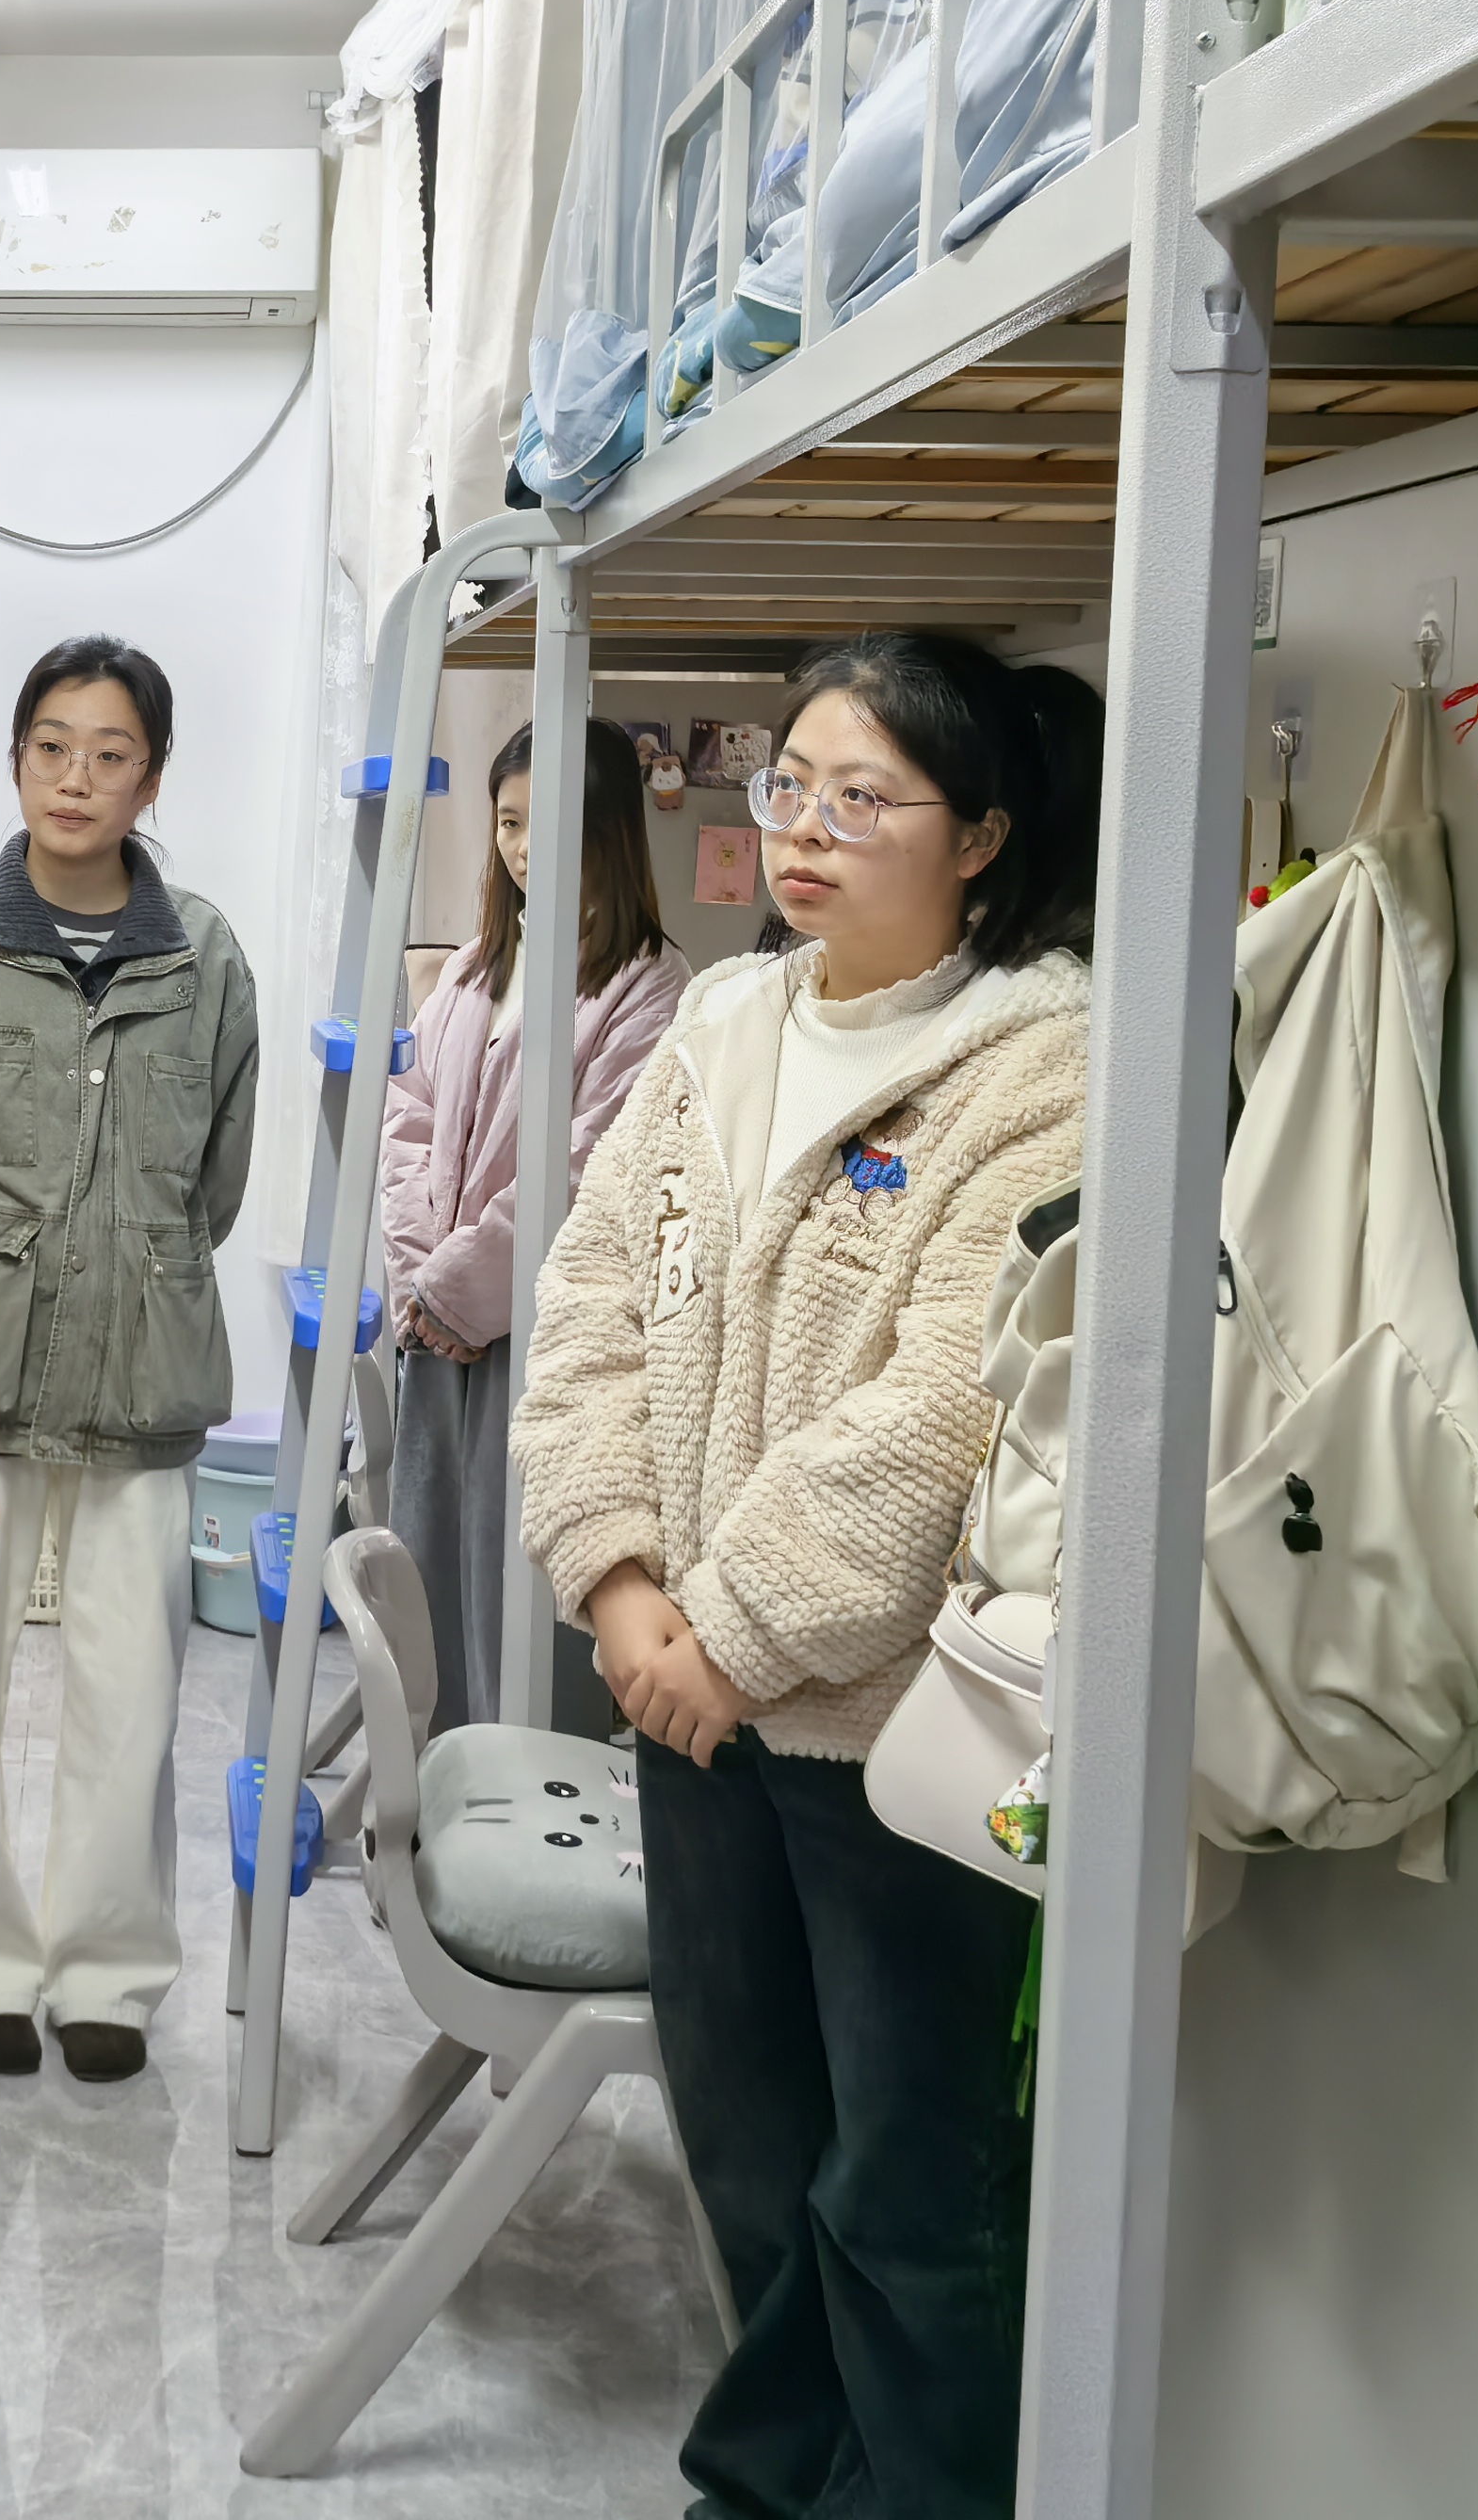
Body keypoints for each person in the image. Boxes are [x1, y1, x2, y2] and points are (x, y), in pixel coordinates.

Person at [515, 632, 1102, 2520]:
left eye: (865, 798)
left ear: (980, 836)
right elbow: (589, 1307)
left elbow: (942, 1412)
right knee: (750, 2147)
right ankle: (771, 2484)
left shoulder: (1043, 1067)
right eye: (789, 787)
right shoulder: (722, 1025)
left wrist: (731, 1634)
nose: (807, 829)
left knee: (909, 2181)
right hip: (686, 1710)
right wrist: (620, 1590)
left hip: (891, 1731)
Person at [0, 637, 262, 2083]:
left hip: (142, 1379)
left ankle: (105, 1977)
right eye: (51, 747)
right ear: (15, 759)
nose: (77, 778)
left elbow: (214, 1179)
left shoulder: (205, 958)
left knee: (130, 1696)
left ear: (154, 777)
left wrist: (126, 1269)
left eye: (110, 753)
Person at [377, 713, 684, 1733]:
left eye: (547, 824)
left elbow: (587, 1173)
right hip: (436, 1329)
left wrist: (461, 1291)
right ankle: (435, 1790)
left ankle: (520, 1805)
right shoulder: (472, 970)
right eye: (509, 822)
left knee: (518, 1593)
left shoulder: (649, 988)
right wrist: (422, 1277)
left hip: (538, 1337)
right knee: (428, 1578)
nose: (522, 847)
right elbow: (405, 1122)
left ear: (609, 829)